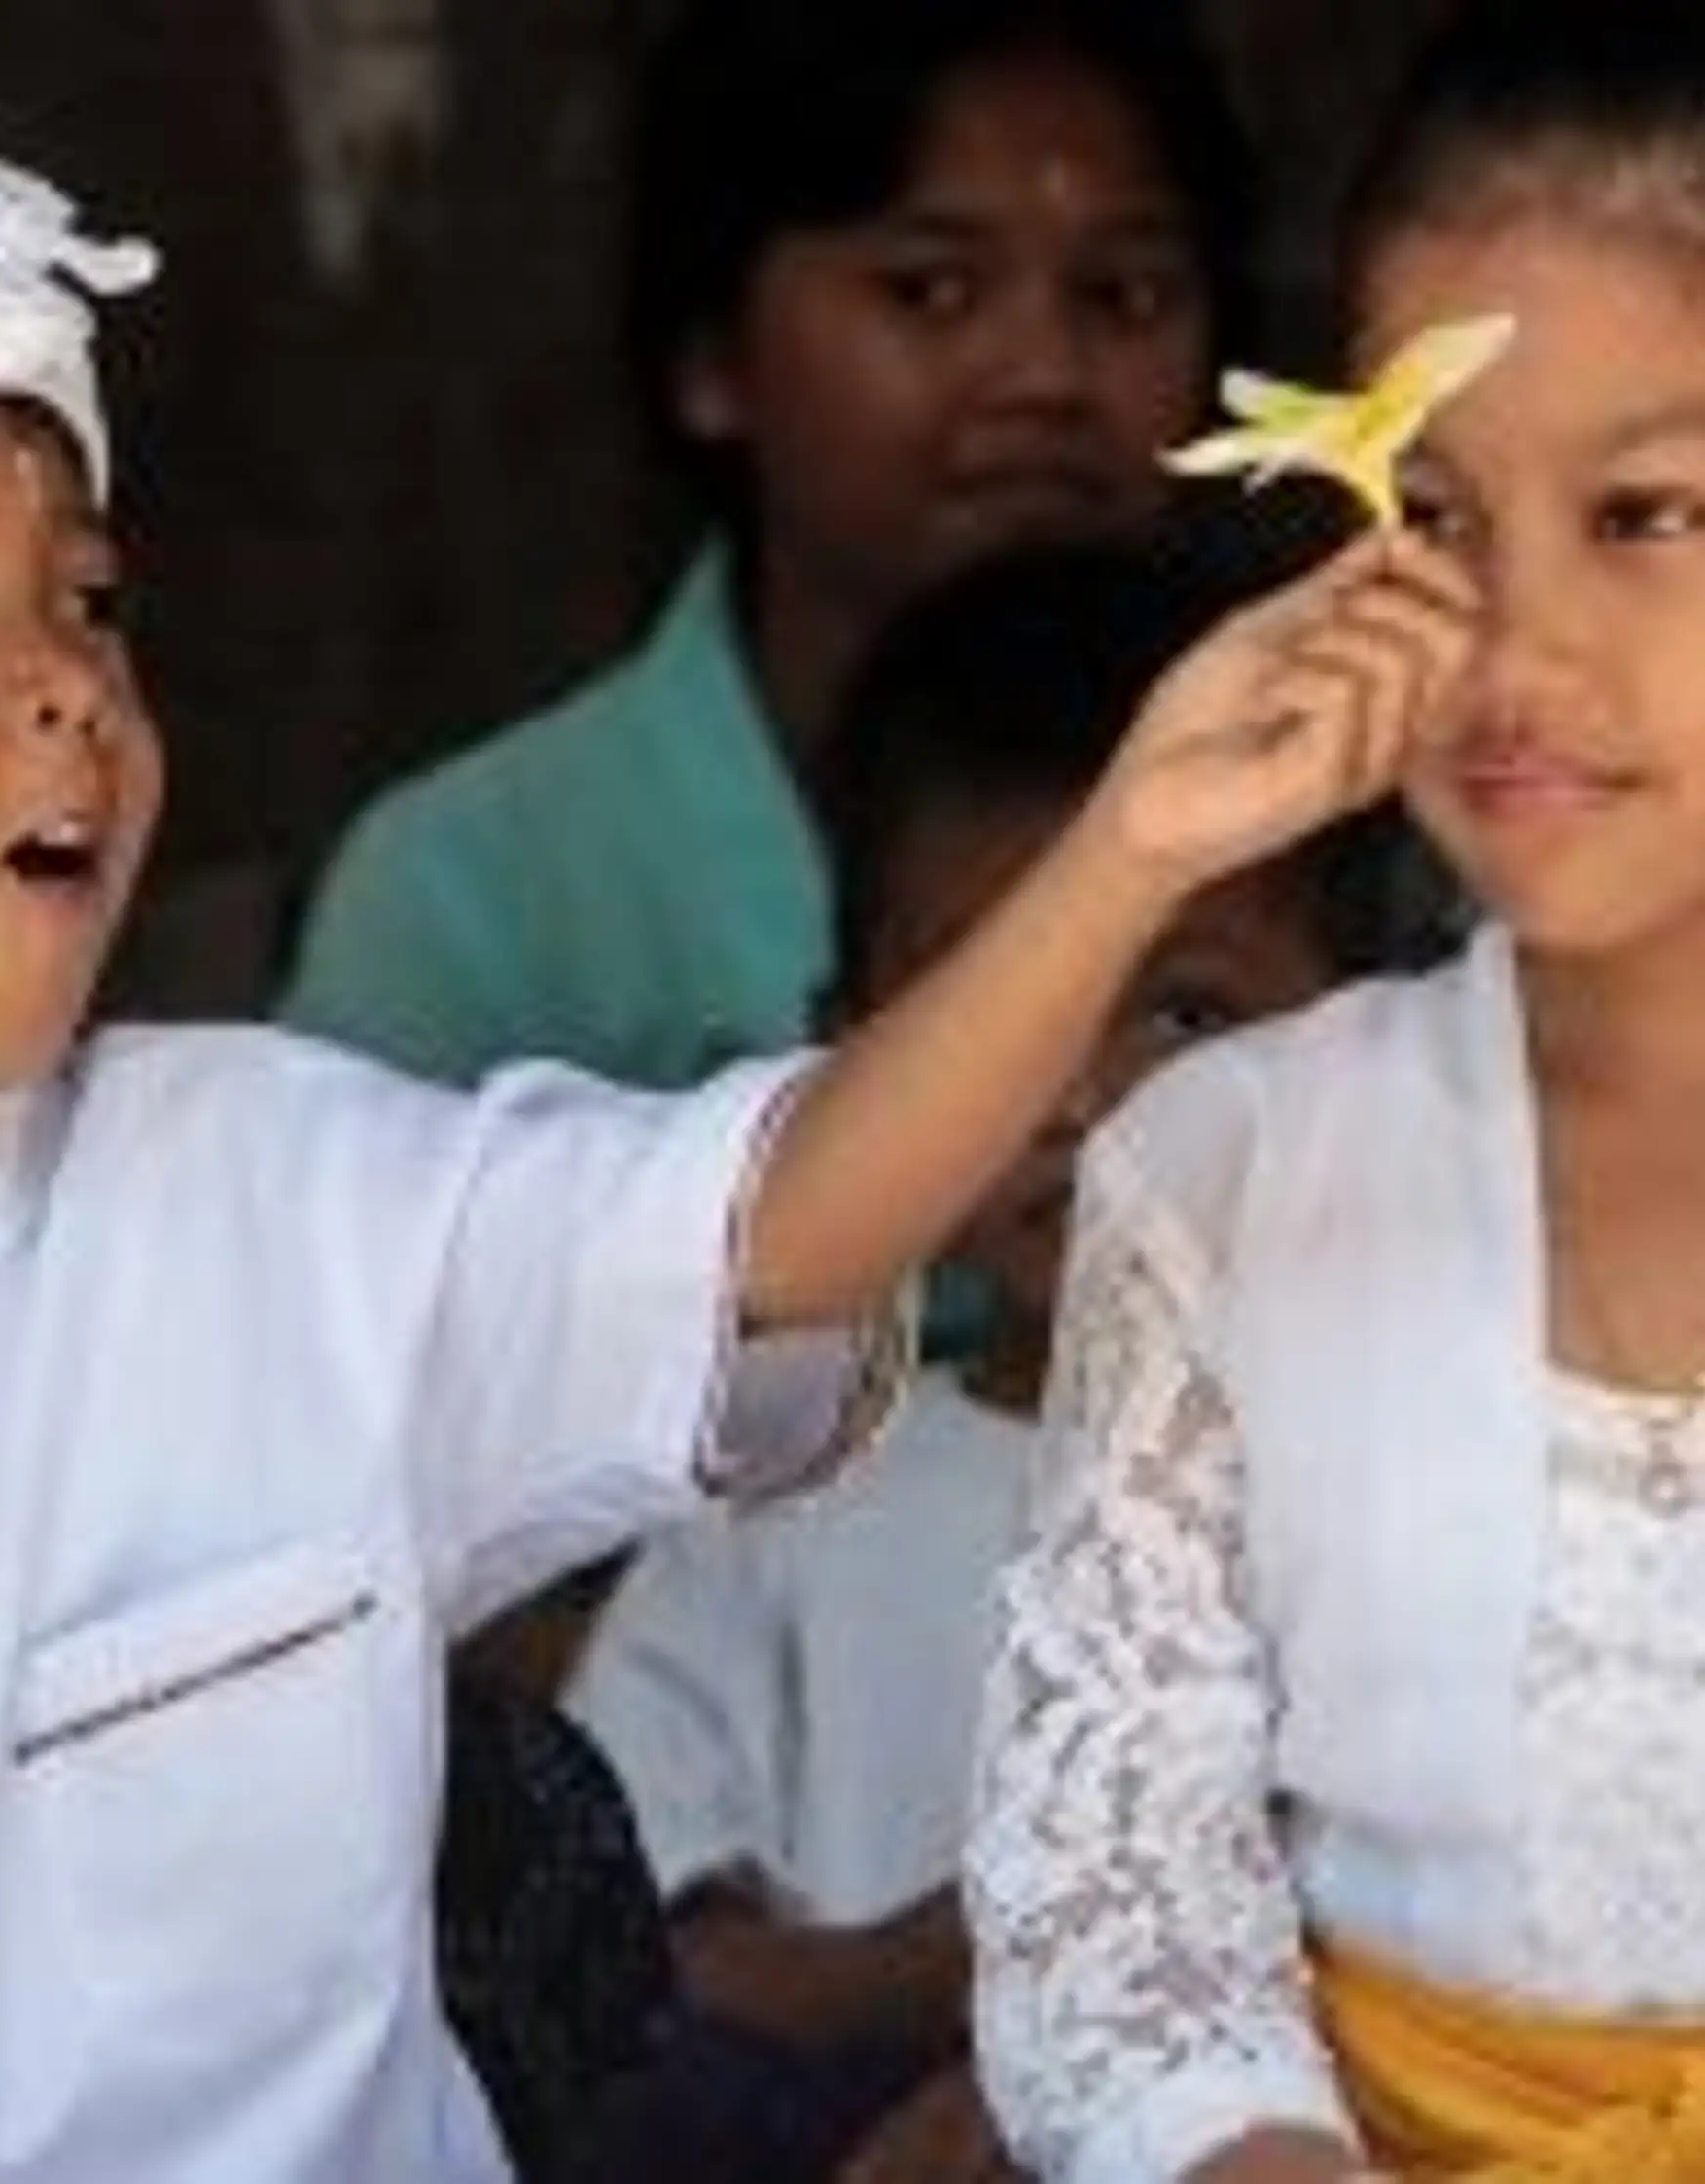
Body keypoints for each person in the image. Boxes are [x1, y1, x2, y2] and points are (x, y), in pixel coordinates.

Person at [0, 108, 1424, 2184]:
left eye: (97, 597)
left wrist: (1134, 850)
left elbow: (783, 1223)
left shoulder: (285, 1205)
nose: (61, 684)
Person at [964, 3, 1705, 2180]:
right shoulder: (1232, 1165)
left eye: (1647, 510)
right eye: (1440, 513)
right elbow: (1126, 1914)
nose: (1514, 646)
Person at [564, 532, 1396, 2184]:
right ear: (853, 1045)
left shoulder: (1424, 1481)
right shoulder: (775, 1492)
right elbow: (636, 1976)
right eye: (1002, 1003)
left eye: (1182, 1012)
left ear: (1374, 1042)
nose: (1078, 1097)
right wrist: (976, 1968)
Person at [279, 0, 1254, 1089]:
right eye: (932, 289)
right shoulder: (475, 894)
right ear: (711, 356)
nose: (1047, 375)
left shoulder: (1323, 823)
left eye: (1126, 295)